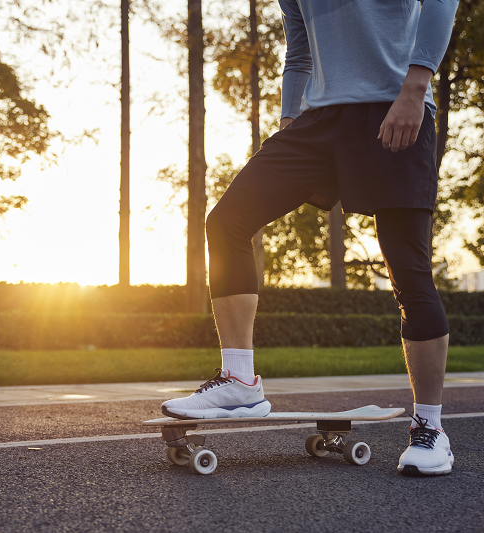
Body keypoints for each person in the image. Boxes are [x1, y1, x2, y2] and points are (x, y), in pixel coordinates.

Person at [162, 0, 459, 476]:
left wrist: (415, 85)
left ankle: (430, 428)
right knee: (227, 221)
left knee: (408, 269)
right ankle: (239, 379)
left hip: (396, 103)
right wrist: (287, 122)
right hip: (319, 122)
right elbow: (299, 51)